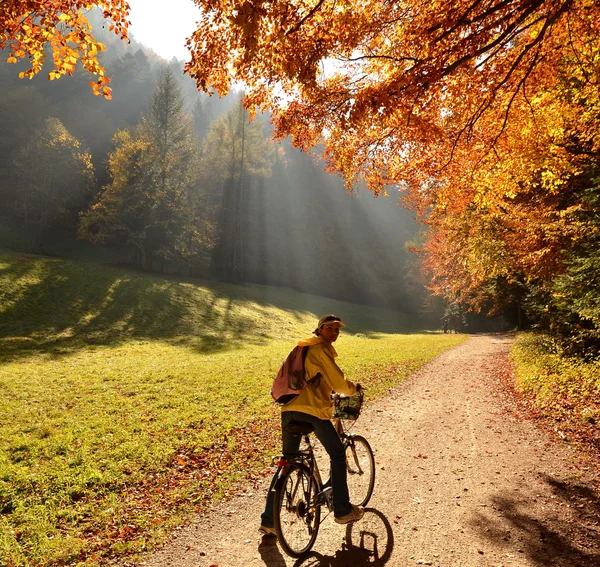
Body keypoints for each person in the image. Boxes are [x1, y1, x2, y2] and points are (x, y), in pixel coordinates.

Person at [259, 314, 364, 538]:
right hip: (312, 409)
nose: (334, 333)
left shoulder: (302, 347)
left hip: (289, 409)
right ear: (320, 330)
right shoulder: (320, 350)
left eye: (337, 329)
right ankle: (343, 510)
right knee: (337, 453)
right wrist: (353, 389)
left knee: (287, 461)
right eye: (330, 329)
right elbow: (337, 383)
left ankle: (269, 522)